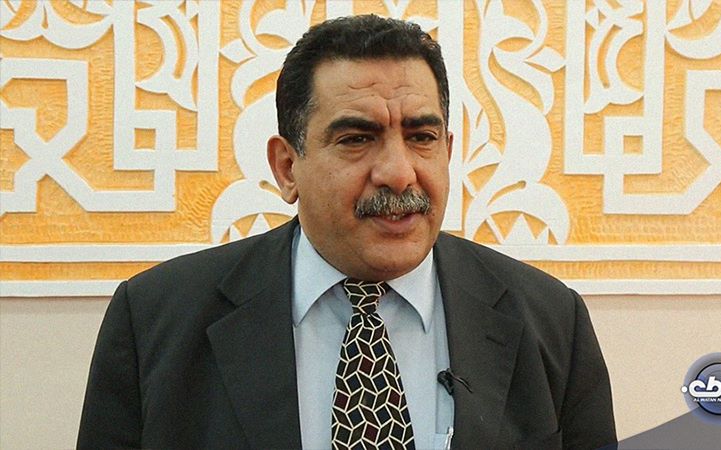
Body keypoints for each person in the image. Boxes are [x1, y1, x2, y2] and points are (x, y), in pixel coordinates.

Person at [78, 15, 616, 450]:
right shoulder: (154, 321)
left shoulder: (551, 321)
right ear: (287, 167)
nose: (399, 173)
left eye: (421, 137)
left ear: (448, 151)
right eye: (357, 139)